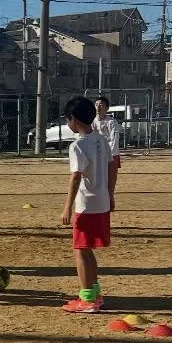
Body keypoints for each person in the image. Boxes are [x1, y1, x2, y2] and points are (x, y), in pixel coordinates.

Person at [60, 96, 113, 314]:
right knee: (87, 249)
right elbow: (112, 167)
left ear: (73, 119)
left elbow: (76, 177)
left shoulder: (78, 145)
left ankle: (87, 299)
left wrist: (67, 207)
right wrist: (110, 193)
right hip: (101, 201)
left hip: (86, 204)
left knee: (80, 250)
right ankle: (95, 293)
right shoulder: (101, 140)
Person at [94, 96, 122, 207]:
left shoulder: (111, 122)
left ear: (106, 108)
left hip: (111, 155)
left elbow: (114, 139)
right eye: (96, 105)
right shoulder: (93, 122)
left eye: (101, 105)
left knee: (111, 179)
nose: (98, 107)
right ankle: (99, 201)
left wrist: (109, 155)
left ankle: (110, 199)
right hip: (97, 155)